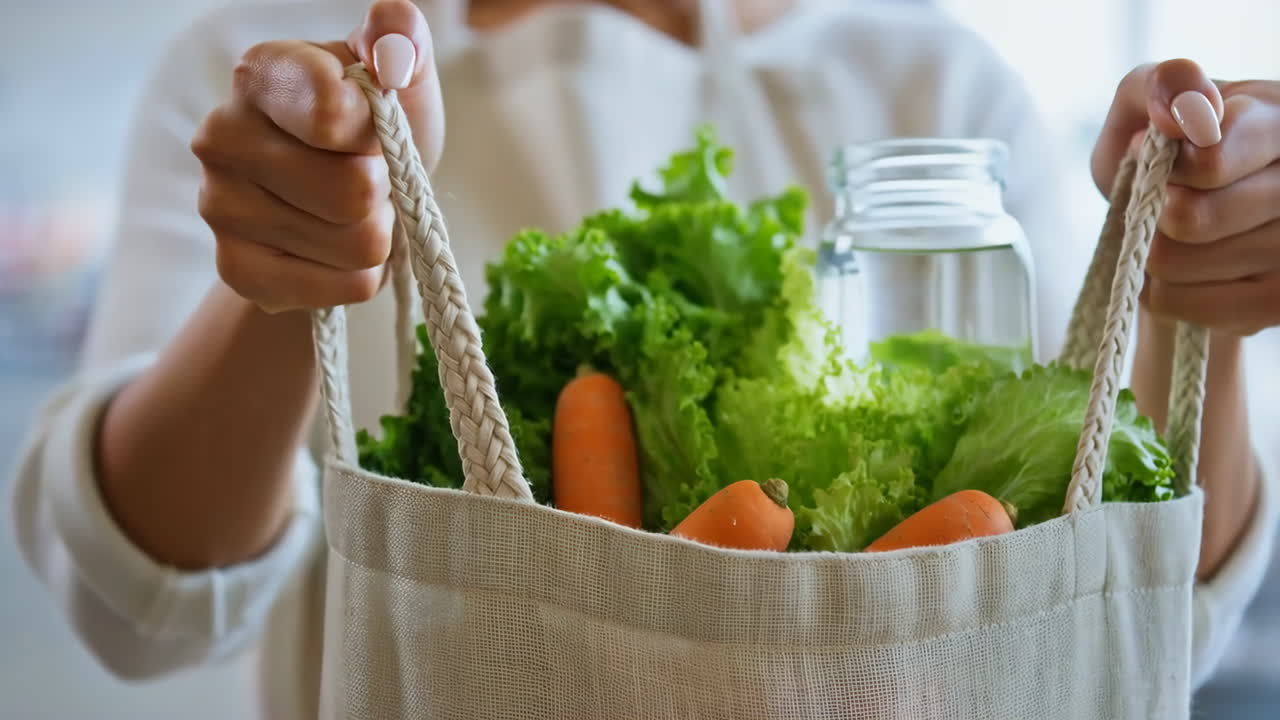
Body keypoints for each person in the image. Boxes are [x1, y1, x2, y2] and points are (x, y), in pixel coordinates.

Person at [8, 0, 1278, 716]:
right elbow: (137, 605)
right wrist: (284, 280)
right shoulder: (278, 74)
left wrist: (1198, 290)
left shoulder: (937, 84)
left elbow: (1140, 610)